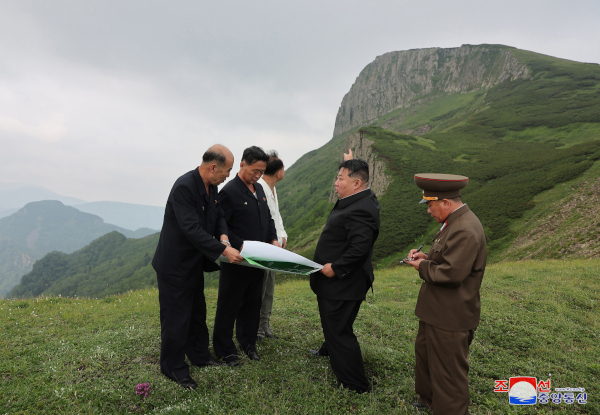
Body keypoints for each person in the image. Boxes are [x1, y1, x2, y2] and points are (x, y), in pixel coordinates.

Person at [152, 144, 244, 389]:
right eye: (227, 170)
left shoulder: (211, 187)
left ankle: (200, 356)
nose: (228, 175)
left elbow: (219, 216)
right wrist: (224, 250)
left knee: (196, 313)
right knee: (176, 317)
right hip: (175, 265)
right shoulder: (184, 186)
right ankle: (173, 367)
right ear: (213, 167)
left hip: (193, 263)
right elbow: (191, 228)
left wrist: (223, 237)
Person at [405, 173, 487, 414]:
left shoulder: (464, 228)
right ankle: (428, 400)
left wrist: (422, 266)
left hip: (450, 316)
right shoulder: (454, 221)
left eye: (430, 206)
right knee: (426, 355)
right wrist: (428, 257)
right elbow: (451, 258)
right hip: (437, 311)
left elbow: (451, 274)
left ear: (445, 203)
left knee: (449, 373)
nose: (428, 211)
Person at [309, 157, 380, 393]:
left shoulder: (361, 209)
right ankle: (327, 349)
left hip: (342, 283)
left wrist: (336, 267)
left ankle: (355, 384)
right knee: (337, 324)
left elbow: (359, 248)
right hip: (342, 282)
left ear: (357, 183)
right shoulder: (360, 198)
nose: (336, 183)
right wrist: (348, 162)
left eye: (340, 179)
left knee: (339, 330)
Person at [212, 146, 280, 366]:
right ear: (242, 165)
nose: (258, 175)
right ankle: (224, 348)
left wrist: (273, 239)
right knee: (229, 305)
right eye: (255, 171)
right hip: (237, 259)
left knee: (252, 303)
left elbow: (268, 218)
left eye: (261, 171)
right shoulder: (230, 191)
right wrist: (239, 245)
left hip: (258, 259)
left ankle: (248, 344)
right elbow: (220, 225)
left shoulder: (259, 190)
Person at [256, 151, 287, 341]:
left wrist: (282, 235)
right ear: (278, 172)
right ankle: (257, 328)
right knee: (260, 288)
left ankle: (265, 325)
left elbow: (277, 217)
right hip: (265, 246)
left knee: (269, 289)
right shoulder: (260, 188)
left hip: (274, 246)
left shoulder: (272, 188)